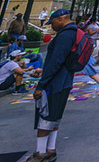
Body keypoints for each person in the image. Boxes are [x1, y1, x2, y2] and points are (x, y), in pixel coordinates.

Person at [29, 9, 77, 162]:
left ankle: (40, 153)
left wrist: (41, 85)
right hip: (63, 80)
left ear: (61, 19)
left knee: (46, 115)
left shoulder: (65, 35)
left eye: (53, 22)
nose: (52, 26)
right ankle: (50, 149)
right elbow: (60, 60)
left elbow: (57, 60)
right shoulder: (71, 33)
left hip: (55, 82)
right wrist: (45, 69)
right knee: (55, 116)